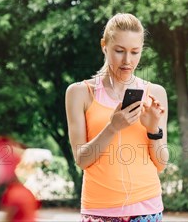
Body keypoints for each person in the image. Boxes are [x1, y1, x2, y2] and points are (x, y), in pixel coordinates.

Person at [65, 13, 169, 222]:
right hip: (99, 211)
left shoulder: (155, 93)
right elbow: (82, 160)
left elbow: (161, 163)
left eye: (135, 52)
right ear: (104, 45)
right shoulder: (80, 93)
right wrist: (112, 127)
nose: (127, 61)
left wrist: (153, 130)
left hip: (147, 209)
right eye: (119, 51)